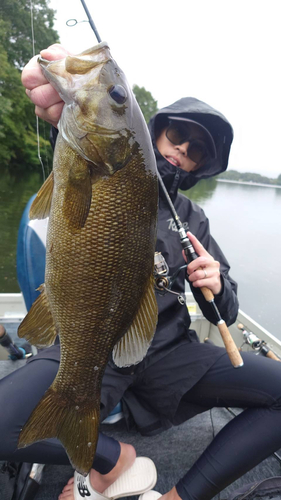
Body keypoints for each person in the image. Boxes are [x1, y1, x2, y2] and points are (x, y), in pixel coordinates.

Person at [1, 43, 281, 500]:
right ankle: (113, 459)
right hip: (94, 341)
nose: (182, 150)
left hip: (171, 351)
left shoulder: (193, 219)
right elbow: (72, 125)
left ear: (199, 166)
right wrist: (58, 82)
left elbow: (223, 313)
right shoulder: (98, 164)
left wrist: (218, 285)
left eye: (196, 150)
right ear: (156, 132)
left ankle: (179, 497)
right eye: (178, 136)